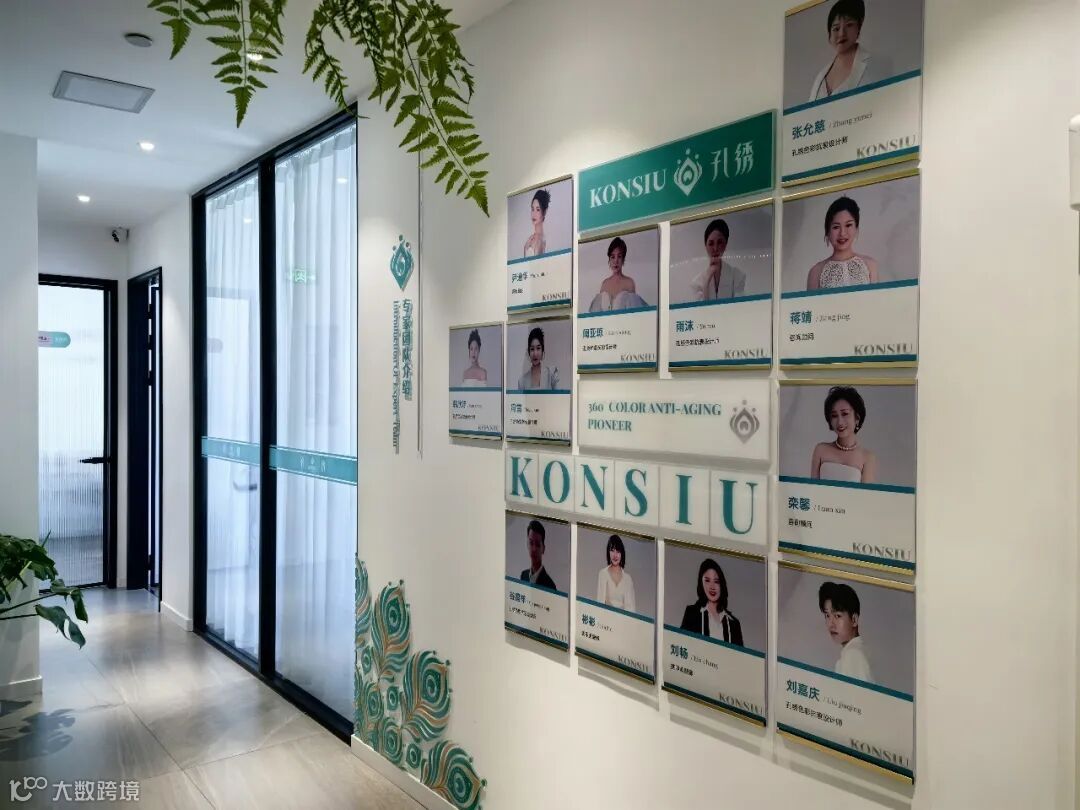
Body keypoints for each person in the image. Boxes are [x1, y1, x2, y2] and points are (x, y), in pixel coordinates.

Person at [806, 196, 879, 290]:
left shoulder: (870, 265)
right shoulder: (816, 272)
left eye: (848, 225)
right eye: (836, 227)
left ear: (856, 229)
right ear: (828, 232)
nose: (842, 233)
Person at [808, 0, 873, 102]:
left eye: (849, 25)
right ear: (829, 34)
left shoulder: (873, 64)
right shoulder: (820, 76)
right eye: (836, 28)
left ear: (859, 26)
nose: (842, 33)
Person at [810, 386, 878, 483]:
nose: (840, 422)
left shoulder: (867, 457)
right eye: (834, 416)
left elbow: (866, 493)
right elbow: (812, 489)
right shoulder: (820, 450)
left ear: (857, 418)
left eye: (845, 414)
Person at [678, 559, 743, 645]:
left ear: (722, 585)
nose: (712, 586)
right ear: (701, 583)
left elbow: (738, 653)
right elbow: (682, 646)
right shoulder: (692, 613)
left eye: (716, 582)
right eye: (707, 581)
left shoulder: (734, 623)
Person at [818, 581, 873, 681]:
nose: (831, 624)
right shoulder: (859, 650)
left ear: (854, 620)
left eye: (837, 616)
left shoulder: (853, 655)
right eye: (827, 615)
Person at [689, 219, 746, 301]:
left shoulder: (737, 276)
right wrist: (706, 281)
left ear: (725, 244)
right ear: (706, 246)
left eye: (719, 242)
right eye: (711, 243)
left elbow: (740, 306)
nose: (715, 248)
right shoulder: (697, 283)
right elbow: (700, 308)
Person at [588, 236, 648, 312]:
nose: (616, 261)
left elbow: (633, 314)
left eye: (619, 256)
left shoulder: (629, 283)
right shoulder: (604, 284)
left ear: (623, 259)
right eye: (613, 257)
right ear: (609, 259)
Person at [596, 535, 636, 612]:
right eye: (612, 550)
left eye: (618, 551)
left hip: (623, 619)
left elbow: (631, 609)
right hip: (606, 617)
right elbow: (600, 604)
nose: (615, 555)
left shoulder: (627, 579)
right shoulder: (603, 574)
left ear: (622, 554)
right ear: (608, 552)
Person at [519, 519, 556, 590]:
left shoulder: (550, 585)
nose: (534, 549)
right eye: (531, 543)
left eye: (538, 544)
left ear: (543, 548)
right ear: (527, 544)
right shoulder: (523, 575)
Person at [523, 189, 550, 258]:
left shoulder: (540, 240)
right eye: (532, 209)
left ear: (544, 212)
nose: (534, 214)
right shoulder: (531, 238)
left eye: (538, 209)